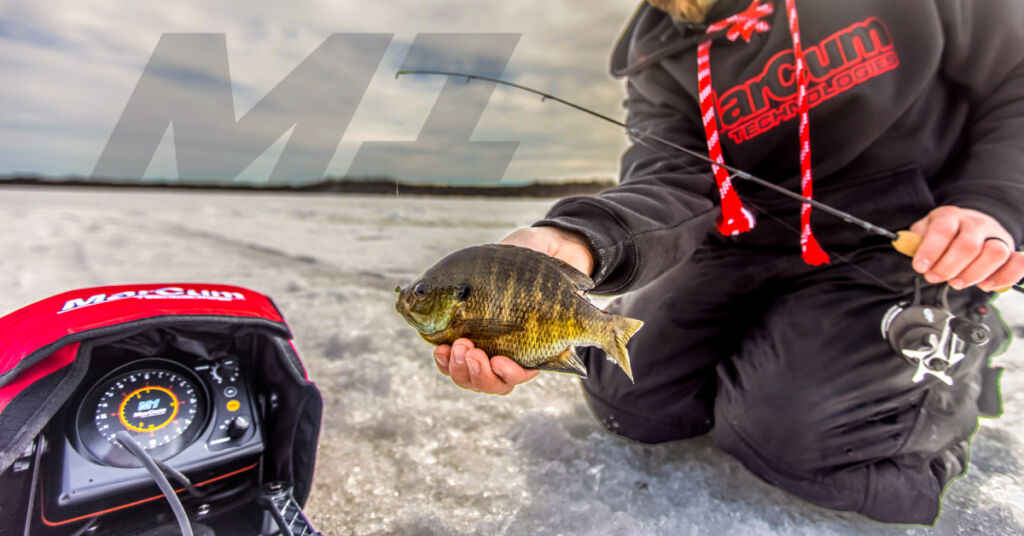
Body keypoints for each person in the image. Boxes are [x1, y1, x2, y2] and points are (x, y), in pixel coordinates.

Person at [432, 0, 1024, 524]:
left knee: (791, 439)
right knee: (626, 396)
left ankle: (943, 376)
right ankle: (782, 356)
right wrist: (575, 241)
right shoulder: (657, 56)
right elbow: (673, 179)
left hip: (898, 244)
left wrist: (992, 203)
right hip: (743, 247)